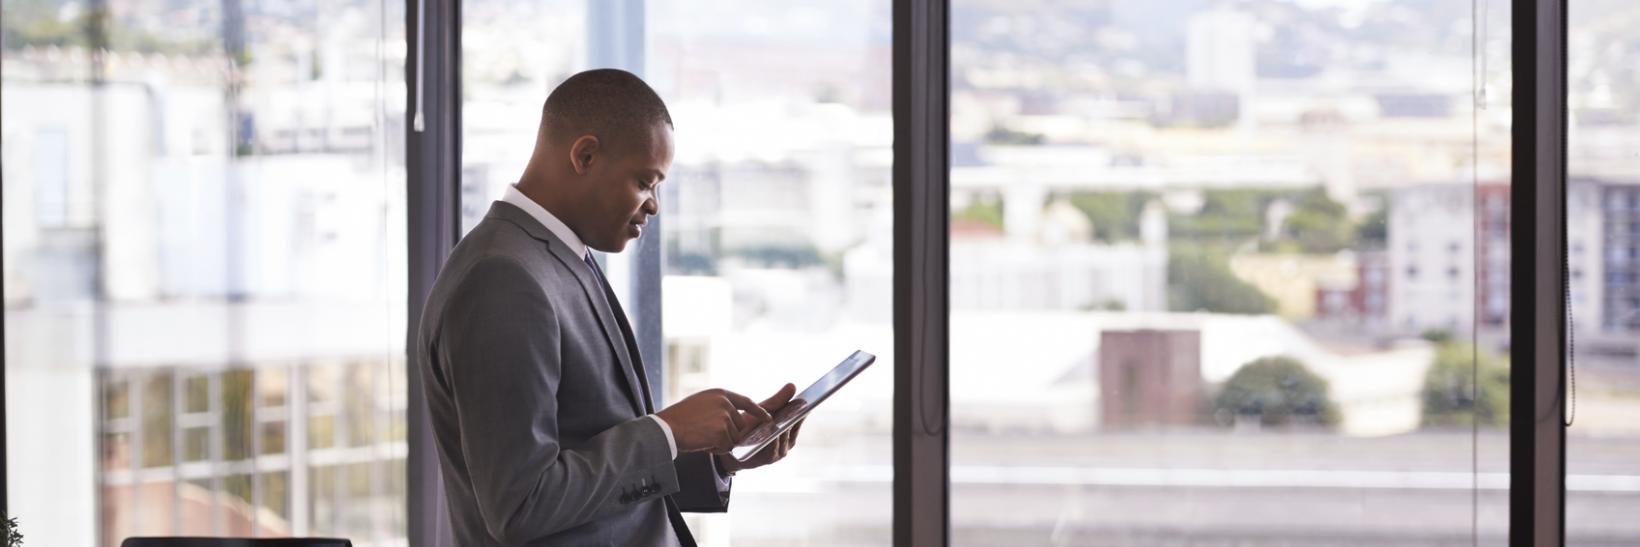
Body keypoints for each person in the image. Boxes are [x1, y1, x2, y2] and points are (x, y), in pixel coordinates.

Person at [414, 68, 805, 546]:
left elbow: (591, 472)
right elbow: (520, 505)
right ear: (585, 155)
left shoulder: (559, 258)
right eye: (645, 181)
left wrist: (720, 458)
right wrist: (666, 431)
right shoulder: (502, 278)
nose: (654, 205)